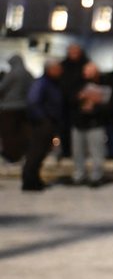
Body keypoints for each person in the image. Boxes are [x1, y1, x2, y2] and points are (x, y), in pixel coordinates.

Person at [22, 60, 63, 191]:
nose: (60, 71)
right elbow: (33, 101)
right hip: (42, 123)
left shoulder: (52, 83)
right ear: (50, 69)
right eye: (57, 69)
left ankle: (34, 178)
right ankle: (29, 180)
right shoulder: (42, 83)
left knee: (41, 152)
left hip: (48, 121)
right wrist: (42, 118)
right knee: (36, 151)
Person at [73, 62, 112, 187]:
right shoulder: (77, 84)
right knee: (78, 152)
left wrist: (95, 105)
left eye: (91, 71)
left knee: (97, 152)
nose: (88, 73)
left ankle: (96, 176)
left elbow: (109, 105)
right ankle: (79, 174)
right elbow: (70, 101)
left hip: (95, 123)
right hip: (79, 123)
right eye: (86, 70)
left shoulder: (104, 85)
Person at [0, 54, 34, 163]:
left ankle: (11, 155)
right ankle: (21, 153)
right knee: (22, 132)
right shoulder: (28, 74)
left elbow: (2, 87)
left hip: (9, 108)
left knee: (9, 132)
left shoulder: (12, 73)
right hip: (24, 107)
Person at [58, 43, 89, 159]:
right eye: (71, 51)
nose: (73, 53)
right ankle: (66, 151)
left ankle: (81, 153)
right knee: (65, 129)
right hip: (65, 103)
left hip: (80, 103)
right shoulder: (63, 66)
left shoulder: (85, 64)